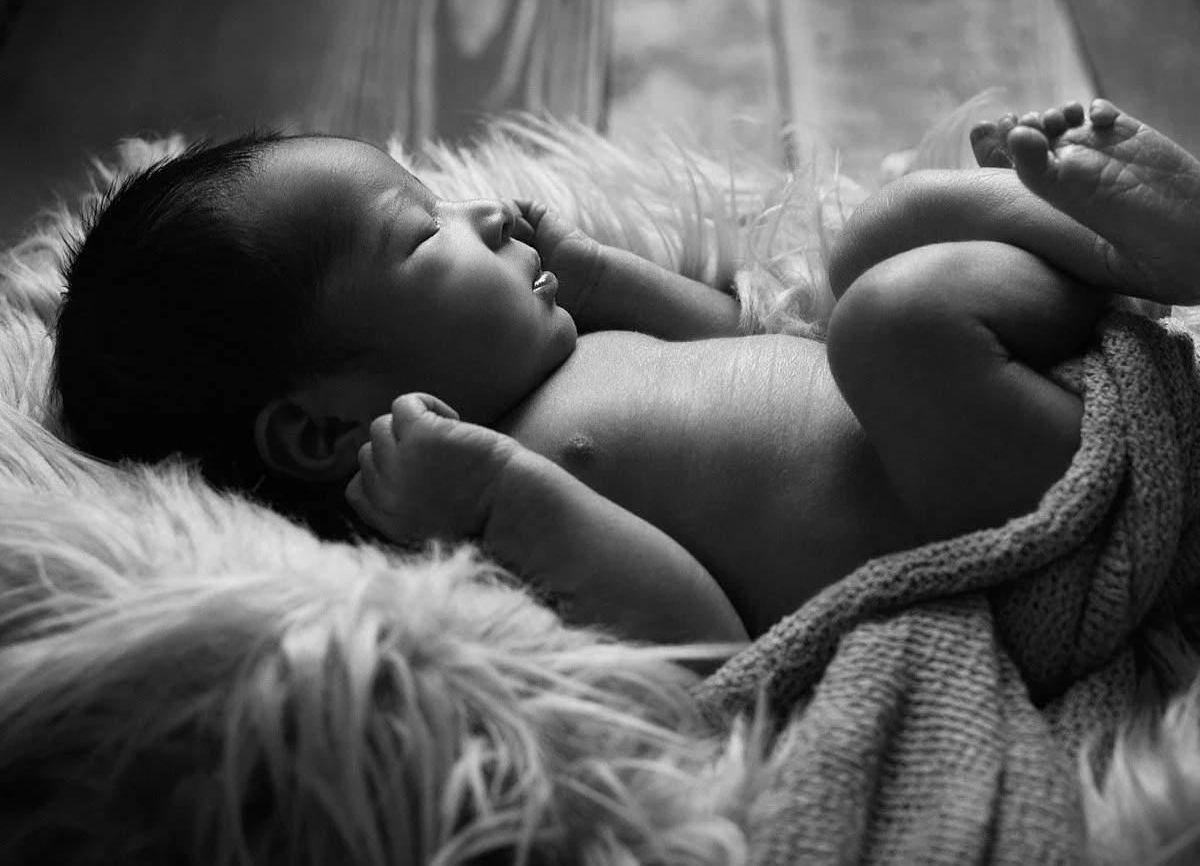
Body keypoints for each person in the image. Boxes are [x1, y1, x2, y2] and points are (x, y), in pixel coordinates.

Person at [52, 99, 1200, 644]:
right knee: (891, 319)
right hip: (1030, 527)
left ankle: (1128, 251)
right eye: (422, 233)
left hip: (1013, 408)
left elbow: (746, 349)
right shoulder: (462, 526)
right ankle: (1121, 250)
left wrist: (598, 272)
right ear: (322, 430)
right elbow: (694, 641)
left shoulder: (570, 362)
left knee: (871, 247)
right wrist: (501, 498)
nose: (484, 211)